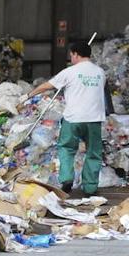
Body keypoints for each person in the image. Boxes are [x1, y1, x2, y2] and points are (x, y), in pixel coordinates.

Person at [22, 40, 107, 195]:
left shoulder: (70, 72)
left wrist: (28, 95)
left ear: (75, 54)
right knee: (93, 152)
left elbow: (46, 86)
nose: (71, 58)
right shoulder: (100, 72)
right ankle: (90, 187)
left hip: (73, 118)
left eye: (71, 55)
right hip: (94, 119)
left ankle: (67, 178)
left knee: (66, 148)